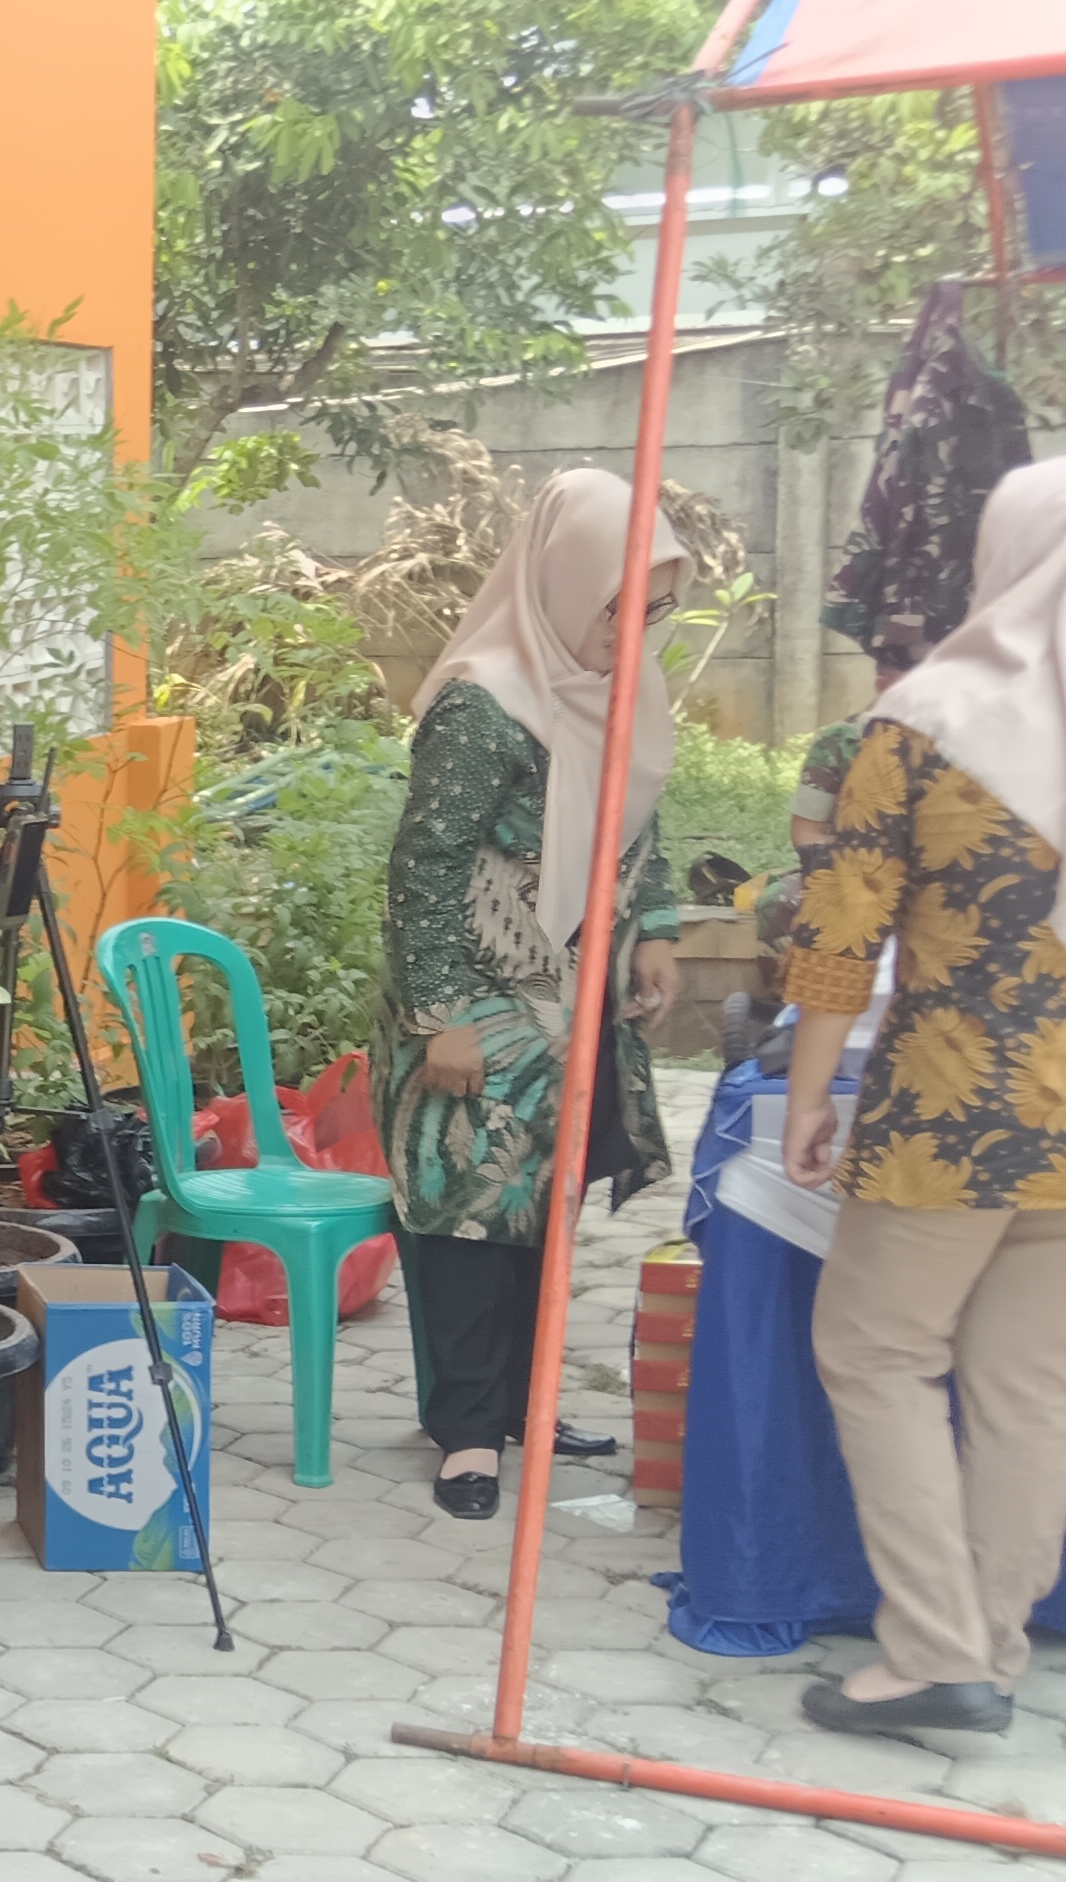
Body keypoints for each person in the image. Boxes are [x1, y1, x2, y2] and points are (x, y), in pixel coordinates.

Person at [780, 455, 1066, 1737]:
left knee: (875, 1350)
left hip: (952, 1114)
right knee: (1036, 1387)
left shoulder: (925, 721)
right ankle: (990, 1646)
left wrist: (808, 1097)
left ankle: (932, 1652)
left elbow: (839, 933)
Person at [371, 469, 687, 1523]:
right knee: (470, 1215)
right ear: (563, 581)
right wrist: (442, 1017)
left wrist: (657, 932)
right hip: (473, 1004)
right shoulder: (481, 706)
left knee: (544, 1214)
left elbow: (638, 822)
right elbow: (422, 871)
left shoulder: (618, 692)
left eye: (652, 609)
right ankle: (466, 1433)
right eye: (619, 603)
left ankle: (520, 1404)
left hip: (572, 1003)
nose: (634, 628)